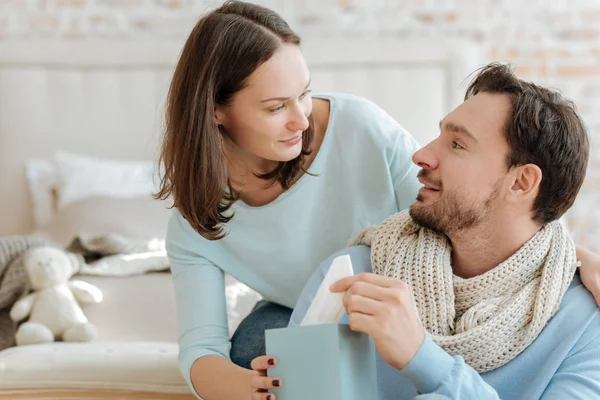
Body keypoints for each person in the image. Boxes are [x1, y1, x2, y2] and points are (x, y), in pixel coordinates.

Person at [156, 1, 600, 399]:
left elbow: (483, 217)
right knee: (257, 342)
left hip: (402, 293)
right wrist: (250, 387)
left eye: (306, 93)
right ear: (216, 110)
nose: (300, 118)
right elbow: (200, 347)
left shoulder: (359, 129)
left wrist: (572, 258)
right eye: (275, 107)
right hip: (332, 304)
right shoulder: (198, 224)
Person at [258, 63, 600, 400]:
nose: (421, 155)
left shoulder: (583, 322)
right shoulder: (351, 278)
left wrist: (422, 358)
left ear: (521, 182)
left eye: (458, 145)